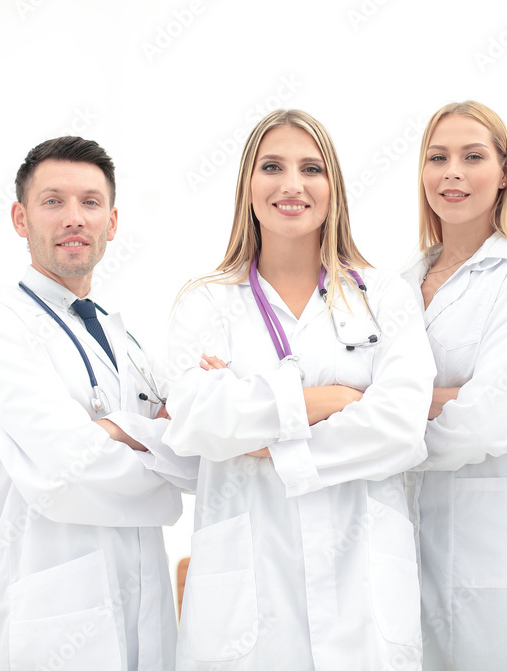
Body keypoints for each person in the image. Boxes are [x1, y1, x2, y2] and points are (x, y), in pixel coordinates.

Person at [164, 109, 435, 670]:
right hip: (246, 600)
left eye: (311, 168)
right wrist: (332, 401)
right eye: (272, 167)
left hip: (362, 587)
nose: (292, 184)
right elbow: (195, 418)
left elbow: (401, 428)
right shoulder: (206, 301)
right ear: (247, 185)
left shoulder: (384, 296)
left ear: (333, 187)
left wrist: (257, 431)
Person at [0, 136, 197, 670]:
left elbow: (193, 452)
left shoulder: (121, 334)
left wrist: (115, 430)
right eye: (53, 201)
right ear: (20, 219)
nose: (74, 218)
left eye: (90, 202)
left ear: (112, 222)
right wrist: (150, 438)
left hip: (143, 600)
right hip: (53, 610)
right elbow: (71, 463)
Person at [399, 101, 507, 671]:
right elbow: (360, 395)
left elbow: (486, 423)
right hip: (415, 557)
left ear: (503, 173)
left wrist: (382, 422)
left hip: (506, 561)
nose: (452, 172)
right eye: (438, 158)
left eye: (472, 157)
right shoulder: (397, 284)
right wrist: (442, 400)